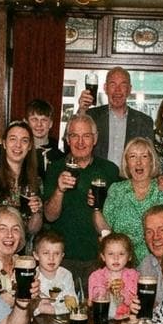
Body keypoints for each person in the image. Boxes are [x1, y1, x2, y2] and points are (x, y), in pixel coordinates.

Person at [42, 114, 122, 279]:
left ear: (95, 139)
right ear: (67, 140)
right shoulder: (55, 168)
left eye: (86, 136)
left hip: (99, 258)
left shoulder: (110, 170)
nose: (80, 142)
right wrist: (59, 190)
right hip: (62, 258)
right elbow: (49, 217)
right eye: (74, 136)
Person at [93, 138, 163, 266]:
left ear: (152, 162)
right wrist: (96, 207)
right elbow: (106, 232)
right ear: (127, 163)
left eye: (144, 156)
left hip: (160, 264)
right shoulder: (116, 190)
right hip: (123, 266)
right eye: (133, 156)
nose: (139, 162)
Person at [74, 67, 154, 168]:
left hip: (129, 181)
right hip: (96, 180)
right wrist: (81, 110)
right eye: (113, 85)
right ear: (105, 88)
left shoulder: (144, 121)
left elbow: (150, 160)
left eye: (123, 85)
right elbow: (69, 147)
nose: (117, 90)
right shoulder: (91, 116)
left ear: (129, 89)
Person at [88, 232, 140, 321]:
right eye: (111, 254)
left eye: (121, 254)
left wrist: (122, 292)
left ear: (129, 256)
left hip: (127, 319)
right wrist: (107, 291)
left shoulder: (134, 275)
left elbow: (135, 301)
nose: (116, 258)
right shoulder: (96, 276)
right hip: (102, 319)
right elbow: (92, 301)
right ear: (103, 257)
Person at [34, 230, 76, 315]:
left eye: (56, 253)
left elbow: (73, 304)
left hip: (63, 320)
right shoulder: (33, 277)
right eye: (46, 253)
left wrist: (54, 310)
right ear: (36, 255)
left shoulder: (66, 275)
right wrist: (38, 309)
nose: (51, 258)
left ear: (62, 256)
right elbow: (28, 308)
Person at [25, 98, 62, 178]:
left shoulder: (59, 157)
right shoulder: (20, 152)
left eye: (44, 120)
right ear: (27, 123)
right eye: (34, 119)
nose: (39, 124)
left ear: (51, 124)